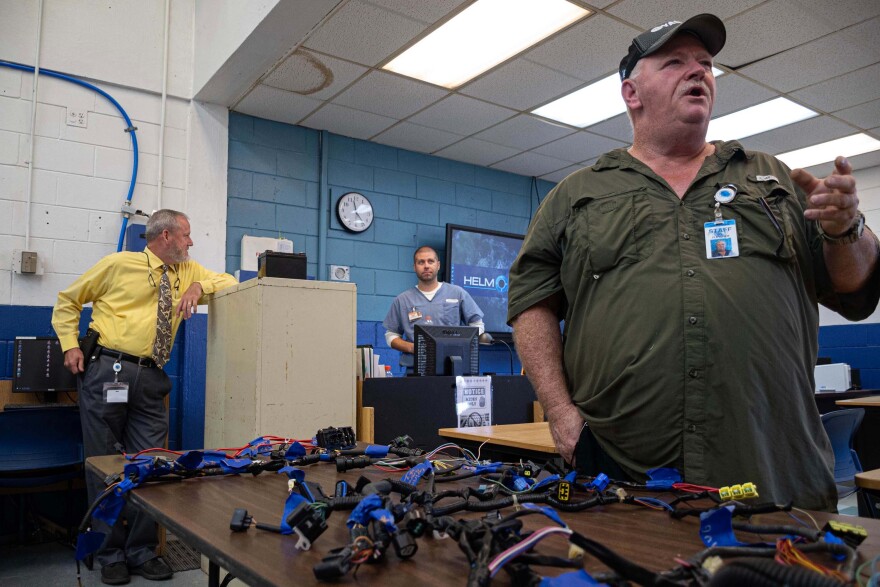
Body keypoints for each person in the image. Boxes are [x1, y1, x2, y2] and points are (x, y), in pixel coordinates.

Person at [506, 14, 880, 512]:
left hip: (771, 463)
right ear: (631, 93)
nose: (698, 71)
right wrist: (559, 412)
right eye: (675, 62)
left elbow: (853, 289)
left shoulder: (771, 179)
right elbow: (531, 303)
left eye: (705, 63)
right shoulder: (577, 195)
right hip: (623, 466)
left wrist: (846, 229)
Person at [52, 210, 237, 585]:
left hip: (152, 378)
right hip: (108, 370)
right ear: (165, 235)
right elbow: (68, 301)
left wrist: (198, 288)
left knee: (152, 464)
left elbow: (229, 280)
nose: (190, 242)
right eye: (186, 235)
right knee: (104, 463)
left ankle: (141, 549)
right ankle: (108, 553)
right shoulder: (119, 265)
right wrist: (70, 345)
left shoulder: (188, 270)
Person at [384, 246, 485, 369]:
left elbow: (477, 325)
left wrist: (458, 345)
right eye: (421, 262)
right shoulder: (402, 300)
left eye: (430, 261)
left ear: (438, 265)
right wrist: (413, 348)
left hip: (452, 367)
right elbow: (391, 336)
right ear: (414, 267)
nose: (426, 266)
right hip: (415, 370)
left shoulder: (457, 293)